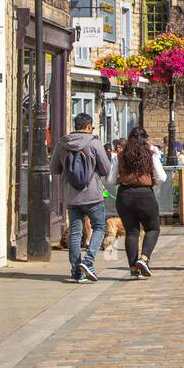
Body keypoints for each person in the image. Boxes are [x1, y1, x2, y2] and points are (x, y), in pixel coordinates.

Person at [50, 112, 113, 283]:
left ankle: (76, 272)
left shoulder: (62, 143)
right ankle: (88, 260)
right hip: (92, 195)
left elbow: (54, 168)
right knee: (99, 227)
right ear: (88, 126)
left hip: (72, 196)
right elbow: (106, 169)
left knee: (75, 232)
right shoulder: (94, 143)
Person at [107, 126, 167, 278]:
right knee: (152, 229)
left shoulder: (120, 156)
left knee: (131, 232)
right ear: (145, 140)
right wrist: (150, 180)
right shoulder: (150, 155)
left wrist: (124, 178)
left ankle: (133, 269)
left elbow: (111, 180)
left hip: (124, 195)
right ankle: (144, 258)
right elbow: (162, 177)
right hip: (145, 195)